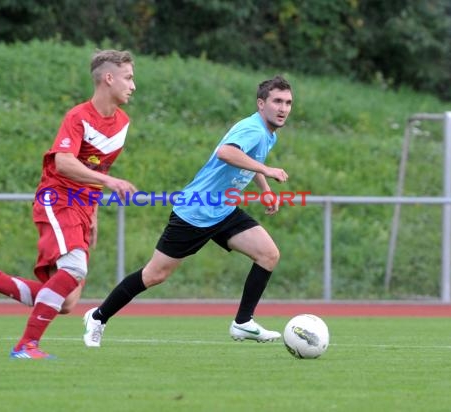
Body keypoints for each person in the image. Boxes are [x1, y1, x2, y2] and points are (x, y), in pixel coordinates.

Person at [0, 49, 138, 359]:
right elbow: (64, 163)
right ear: (108, 78)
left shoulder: (122, 123)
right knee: (74, 270)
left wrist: (93, 215)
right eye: (128, 78)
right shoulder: (78, 117)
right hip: (58, 198)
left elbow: (96, 170)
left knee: (67, 301)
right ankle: (26, 345)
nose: (133, 85)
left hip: (81, 205)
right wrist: (110, 183)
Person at [83, 75, 293, 348]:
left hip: (223, 209)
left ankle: (243, 323)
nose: (283, 108)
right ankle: (97, 317)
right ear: (261, 103)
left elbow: (250, 160)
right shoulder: (253, 128)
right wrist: (267, 171)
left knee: (268, 254)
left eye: (288, 103)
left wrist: (264, 187)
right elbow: (226, 152)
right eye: (277, 101)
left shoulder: (266, 132)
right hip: (195, 211)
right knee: (154, 275)